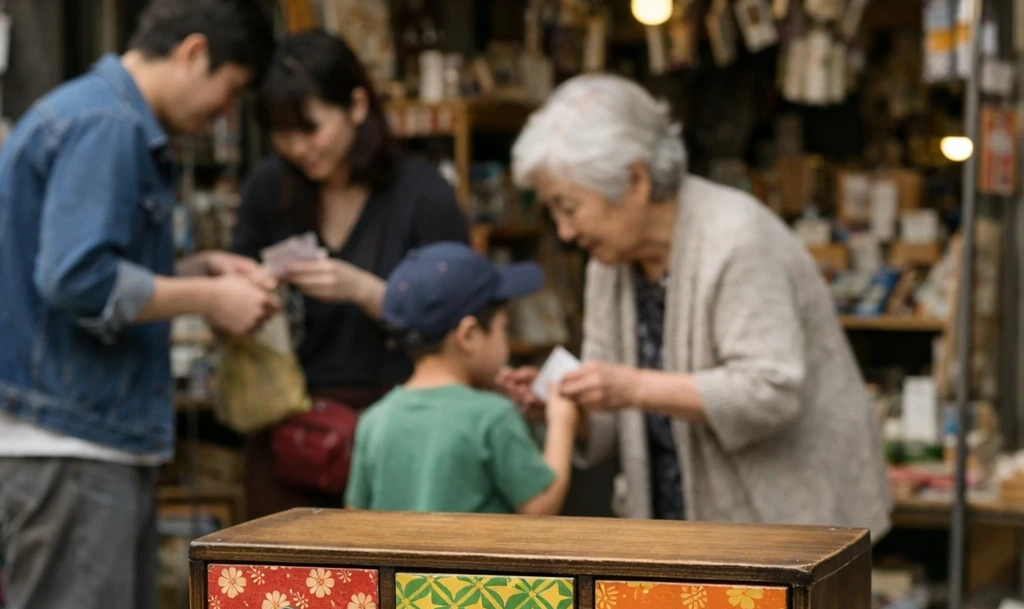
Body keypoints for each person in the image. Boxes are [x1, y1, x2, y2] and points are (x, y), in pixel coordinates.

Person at [0, 0, 278, 609]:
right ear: (192, 52)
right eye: (229, 89)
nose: (223, 113)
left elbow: (80, 268)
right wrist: (209, 298)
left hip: (75, 432)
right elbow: (77, 278)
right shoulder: (108, 125)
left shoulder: (90, 114)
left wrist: (196, 269)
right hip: (69, 438)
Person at [503, 74, 891, 538]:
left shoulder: (737, 239)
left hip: (792, 526)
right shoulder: (610, 261)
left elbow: (770, 392)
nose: (565, 231)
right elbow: (619, 415)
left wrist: (631, 386)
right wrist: (568, 406)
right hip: (682, 531)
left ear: (635, 180)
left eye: (569, 207)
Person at [232, 30, 470, 519]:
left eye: (310, 128)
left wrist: (366, 292)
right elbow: (236, 291)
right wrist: (245, 290)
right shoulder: (268, 189)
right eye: (282, 133)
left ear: (357, 106)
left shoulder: (422, 194)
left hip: (401, 427)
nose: (298, 147)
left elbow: (461, 324)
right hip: (290, 426)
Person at [345, 243, 579, 516]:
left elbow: (354, 514)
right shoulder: (493, 417)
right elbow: (541, 506)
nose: (505, 340)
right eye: (504, 329)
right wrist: (562, 421)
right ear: (468, 335)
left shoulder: (374, 420)